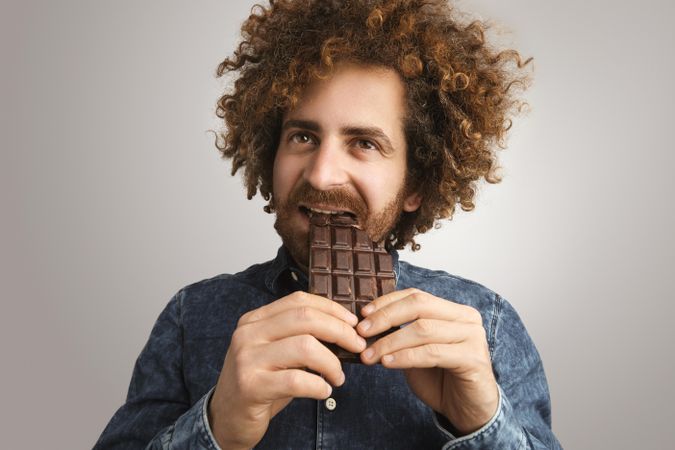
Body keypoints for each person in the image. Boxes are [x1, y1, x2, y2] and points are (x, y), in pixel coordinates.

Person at [95, 0, 562, 448]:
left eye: (363, 143)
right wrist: (217, 427)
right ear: (270, 153)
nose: (320, 174)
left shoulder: (488, 328)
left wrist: (484, 424)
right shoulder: (190, 319)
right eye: (303, 136)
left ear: (416, 184)